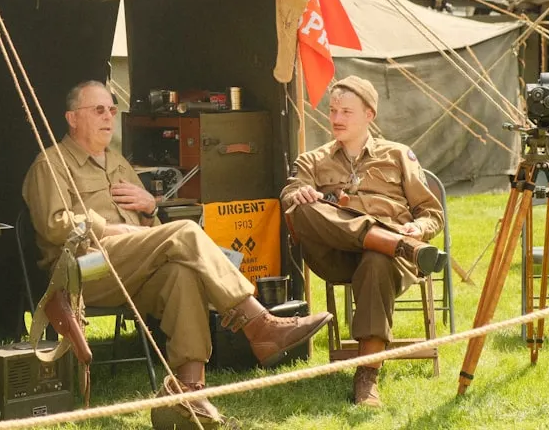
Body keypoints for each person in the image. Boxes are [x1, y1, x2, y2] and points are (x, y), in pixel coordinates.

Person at [23, 80, 332, 429]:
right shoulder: (50, 163)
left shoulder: (118, 163)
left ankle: (189, 392)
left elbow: (152, 227)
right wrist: (110, 229)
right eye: (98, 110)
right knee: (185, 232)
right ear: (72, 118)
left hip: (130, 266)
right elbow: (54, 225)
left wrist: (151, 206)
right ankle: (258, 323)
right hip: (83, 273)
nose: (109, 116)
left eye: (111, 109)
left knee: (181, 275)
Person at [281, 75, 446, 409]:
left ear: (370, 115)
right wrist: (298, 193)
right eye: (333, 111)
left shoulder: (398, 155)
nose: (337, 119)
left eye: (346, 112)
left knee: (377, 259)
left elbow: (432, 213)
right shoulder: (313, 160)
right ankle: (387, 241)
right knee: (299, 209)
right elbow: (288, 195)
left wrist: (417, 229)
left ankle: (366, 378)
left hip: (388, 261)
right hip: (336, 255)